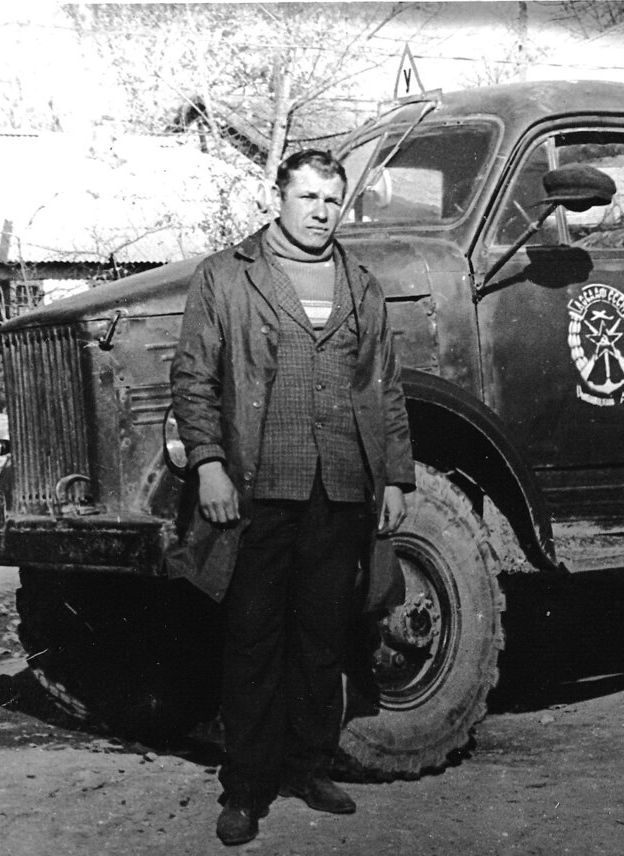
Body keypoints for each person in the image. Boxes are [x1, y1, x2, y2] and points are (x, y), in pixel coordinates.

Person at [169, 149, 415, 846]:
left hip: (340, 488)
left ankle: (309, 766)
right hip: (257, 490)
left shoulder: (360, 283)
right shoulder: (226, 275)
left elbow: (385, 387)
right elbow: (193, 379)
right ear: (277, 196)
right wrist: (211, 465)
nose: (320, 212)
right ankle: (244, 789)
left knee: (323, 638)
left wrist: (395, 475)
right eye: (306, 197)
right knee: (252, 639)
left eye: (331, 201)